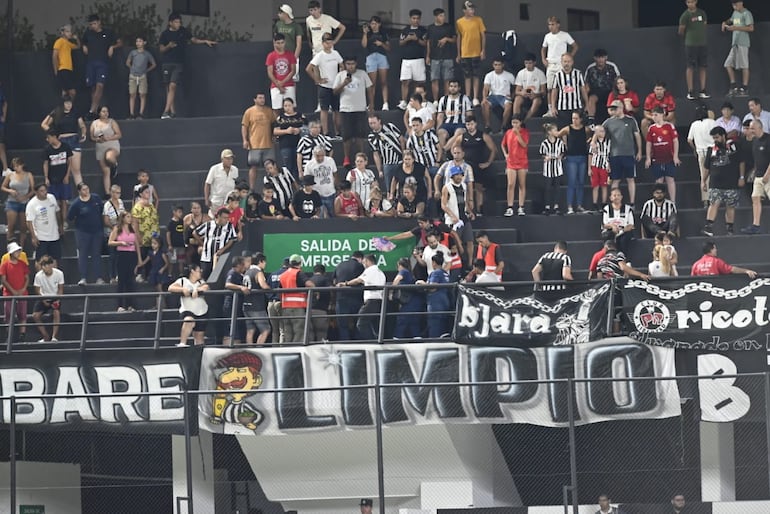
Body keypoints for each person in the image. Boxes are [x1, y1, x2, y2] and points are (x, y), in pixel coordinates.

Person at [158, 12, 216, 119]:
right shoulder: (165, 34)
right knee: (168, 87)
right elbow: (161, 49)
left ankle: (165, 111)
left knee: (173, 85)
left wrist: (204, 41)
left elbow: (193, 39)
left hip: (178, 63)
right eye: (176, 22)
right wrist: (169, 46)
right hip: (167, 63)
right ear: (170, 23)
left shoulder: (183, 31)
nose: (178, 24)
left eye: (179, 22)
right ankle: (172, 112)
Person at [445, 114, 496, 214]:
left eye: (471, 124)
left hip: (478, 166)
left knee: (478, 188)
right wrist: (457, 159)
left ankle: (479, 210)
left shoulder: (483, 135)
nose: (470, 126)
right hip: (466, 166)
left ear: (475, 124)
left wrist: (488, 163)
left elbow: (493, 149)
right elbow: (453, 147)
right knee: (466, 188)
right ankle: (467, 210)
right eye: (468, 124)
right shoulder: (462, 136)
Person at [595, 99, 642, 206]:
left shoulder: (630, 120)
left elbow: (637, 136)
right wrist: (593, 142)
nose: (613, 110)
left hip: (629, 154)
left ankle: (632, 202)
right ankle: (613, 201)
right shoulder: (608, 121)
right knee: (615, 179)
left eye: (615, 108)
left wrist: (639, 151)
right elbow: (598, 130)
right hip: (614, 155)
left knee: (630, 178)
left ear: (621, 108)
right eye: (612, 108)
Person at [701, 126, 745, 237]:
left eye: (717, 137)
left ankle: (729, 229)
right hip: (715, 183)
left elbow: (741, 162)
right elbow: (706, 167)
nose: (715, 140)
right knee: (714, 203)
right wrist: (703, 181)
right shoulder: (711, 150)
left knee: (730, 206)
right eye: (713, 138)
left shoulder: (734, 146)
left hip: (731, 182)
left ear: (723, 136)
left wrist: (742, 177)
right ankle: (708, 227)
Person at [332, 56, 373, 167]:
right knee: (347, 135)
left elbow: (369, 89)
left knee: (360, 135)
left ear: (356, 64)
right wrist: (344, 83)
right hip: (346, 109)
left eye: (352, 63)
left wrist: (371, 106)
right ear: (345, 64)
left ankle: (362, 157)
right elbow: (335, 91)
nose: (350, 66)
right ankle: (347, 158)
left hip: (360, 108)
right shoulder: (340, 75)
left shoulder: (362, 74)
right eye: (348, 64)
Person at [81, 14, 121, 120]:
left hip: (102, 63)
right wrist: (84, 47)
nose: (92, 26)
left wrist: (112, 47)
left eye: (94, 24)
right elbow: (82, 42)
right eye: (90, 24)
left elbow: (119, 42)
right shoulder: (88, 33)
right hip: (90, 63)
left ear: (99, 22)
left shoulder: (107, 32)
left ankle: (92, 110)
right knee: (93, 87)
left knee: (100, 85)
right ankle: (95, 110)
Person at [40, 96, 86, 188]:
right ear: (63, 104)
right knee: (62, 168)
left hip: (73, 139)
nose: (69, 105)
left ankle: (81, 191)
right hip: (61, 140)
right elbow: (44, 124)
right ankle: (64, 195)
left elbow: (82, 125)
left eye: (70, 103)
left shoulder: (75, 112)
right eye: (67, 103)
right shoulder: (56, 112)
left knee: (76, 169)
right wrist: (53, 134)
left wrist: (84, 133)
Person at [337, 253, 385, 340]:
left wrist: (346, 283)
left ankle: (371, 341)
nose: (363, 264)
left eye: (363, 262)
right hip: (380, 301)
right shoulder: (381, 273)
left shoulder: (370, 270)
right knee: (374, 324)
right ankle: (377, 341)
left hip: (371, 301)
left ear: (367, 261)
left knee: (361, 323)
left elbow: (358, 280)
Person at [306, 33, 343, 137]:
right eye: (327, 42)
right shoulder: (320, 55)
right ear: (323, 43)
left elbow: (342, 65)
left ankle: (337, 131)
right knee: (324, 110)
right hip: (325, 86)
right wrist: (317, 80)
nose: (329, 44)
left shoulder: (335, 53)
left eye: (331, 42)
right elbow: (309, 68)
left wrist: (341, 76)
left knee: (336, 110)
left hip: (335, 86)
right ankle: (325, 132)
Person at [542, 16, 578, 118]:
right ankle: (550, 109)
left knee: (562, 87)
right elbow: (543, 49)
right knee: (549, 88)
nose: (551, 27)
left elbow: (575, 46)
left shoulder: (565, 35)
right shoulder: (547, 36)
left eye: (553, 24)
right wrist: (544, 60)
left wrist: (568, 58)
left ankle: (563, 108)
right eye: (549, 24)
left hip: (561, 64)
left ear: (558, 24)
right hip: (551, 64)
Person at [67, 183, 104, 285]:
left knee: (96, 254)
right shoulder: (76, 204)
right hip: (82, 233)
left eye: (87, 189)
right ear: (79, 191)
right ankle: (83, 278)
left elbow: (102, 210)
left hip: (97, 231)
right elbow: (70, 217)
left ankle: (98, 278)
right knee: (83, 255)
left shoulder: (96, 198)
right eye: (83, 190)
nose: (86, 191)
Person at [241, 93, 277, 191]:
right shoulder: (249, 112)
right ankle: (252, 189)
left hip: (268, 143)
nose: (262, 100)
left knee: (270, 166)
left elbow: (275, 124)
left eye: (263, 98)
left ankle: (271, 186)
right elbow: (244, 126)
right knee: (253, 166)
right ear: (255, 99)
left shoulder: (269, 111)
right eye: (260, 98)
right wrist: (245, 140)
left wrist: (274, 136)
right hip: (254, 144)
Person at [645, 106, 681, 202]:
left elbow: (675, 141)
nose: (654, 117)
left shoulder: (669, 126)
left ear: (662, 114)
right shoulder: (651, 128)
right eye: (653, 115)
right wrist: (648, 158)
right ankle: (658, 201)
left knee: (670, 179)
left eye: (656, 115)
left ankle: (673, 202)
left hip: (669, 158)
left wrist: (675, 156)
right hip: (657, 158)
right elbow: (648, 144)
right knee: (659, 181)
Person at [108, 211, 142, 312]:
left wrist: (139, 258)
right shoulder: (117, 229)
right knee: (122, 280)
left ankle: (130, 304)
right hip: (122, 255)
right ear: (122, 218)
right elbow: (110, 242)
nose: (130, 219)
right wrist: (120, 243)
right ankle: (120, 305)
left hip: (131, 255)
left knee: (130, 280)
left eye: (130, 217)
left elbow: (136, 244)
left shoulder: (132, 229)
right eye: (127, 217)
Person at [168, 264, 210, 347]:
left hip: (201, 310)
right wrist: (183, 289)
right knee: (189, 320)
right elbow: (171, 287)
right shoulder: (183, 281)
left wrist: (197, 290)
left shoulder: (201, 282)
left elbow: (206, 287)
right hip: (187, 309)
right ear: (192, 271)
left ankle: (198, 351)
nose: (200, 272)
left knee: (199, 335)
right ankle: (182, 343)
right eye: (199, 271)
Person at [557, 111, 590, 214]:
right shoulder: (568, 128)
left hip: (582, 157)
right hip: (571, 157)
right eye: (573, 118)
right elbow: (558, 134)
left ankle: (579, 205)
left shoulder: (586, 129)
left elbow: (591, 136)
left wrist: (589, 141)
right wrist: (564, 143)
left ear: (580, 119)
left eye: (576, 118)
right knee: (572, 182)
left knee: (580, 182)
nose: (574, 120)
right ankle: (570, 206)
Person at [741, 120, 770, 234]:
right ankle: (755, 224)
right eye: (750, 128)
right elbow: (757, 159)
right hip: (758, 175)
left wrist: (767, 174)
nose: (751, 131)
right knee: (755, 197)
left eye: (753, 128)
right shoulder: (755, 141)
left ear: (760, 127)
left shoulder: (768, 140)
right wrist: (755, 172)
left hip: (767, 175)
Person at [455, 1, 486, 106]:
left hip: (476, 52)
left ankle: (475, 97)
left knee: (476, 75)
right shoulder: (459, 22)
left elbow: (483, 35)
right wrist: (459, 53)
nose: (472, 11)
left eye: (473, 9)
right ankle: (468, 96)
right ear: (464, 10)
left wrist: (483, 50)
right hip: (465, 52)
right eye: (470, 9)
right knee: (467, 75)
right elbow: (459, 37)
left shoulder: (478, 20)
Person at [397, 9, 428, 111]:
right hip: (406, 60)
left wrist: (417, 39)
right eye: (414, 18)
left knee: (418, 82)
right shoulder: (405, 30)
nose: (416, 20)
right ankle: (404, 101)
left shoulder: (423, 30)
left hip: (418, 59)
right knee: (405, 81)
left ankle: (418, 101)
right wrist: (407, 39)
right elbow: (400, 43)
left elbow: (425, 44)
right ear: (410, 19)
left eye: (417, 18)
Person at [194, 207, 238, 279]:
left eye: (227, 218)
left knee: (217, 277)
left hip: (220, 257)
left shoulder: (229, 226)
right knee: (205, 277)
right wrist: (202, 244)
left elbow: (232, 239)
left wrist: (223, 249)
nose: (226, 220)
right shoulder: (209, 225)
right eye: (224, 218)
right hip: (206, 257)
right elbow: (195, 232)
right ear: (219, 216)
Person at [688, 103, 718, 208]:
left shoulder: (694, 124)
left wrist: (694, 149)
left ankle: (706, 200)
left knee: (704, 176)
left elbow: (689, 140)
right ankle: (715, 198)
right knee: (714, 174)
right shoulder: (712, 122)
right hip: (713, 151)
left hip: (701, 152)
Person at [279, 253, 314, 343]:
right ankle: (296, 350)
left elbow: (279, 289)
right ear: (300, 263)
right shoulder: (299, 273)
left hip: (285, 307)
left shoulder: (283, 275)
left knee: (288, 331)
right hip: (297, 307)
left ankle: (288, 351)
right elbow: (309, 284)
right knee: (300, 330)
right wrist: (315, 289)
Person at [441, 166, 475, 256]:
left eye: (460, 175)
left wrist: (470, 212)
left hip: (464, 217)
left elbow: (464, 202)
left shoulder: (464, 186)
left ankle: (470, 264)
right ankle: (457, 264)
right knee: (456, 243)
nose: (459, 177)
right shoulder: (447, 188)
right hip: (453, 220)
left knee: (470, 240)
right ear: (452, 176)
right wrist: (452, 216)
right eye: (457, 175)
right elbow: (443, 205)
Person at [679, 0, 709, 100]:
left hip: (702, 43)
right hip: (690, 44)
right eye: (688, 2)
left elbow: (704, 25)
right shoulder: (685, 15)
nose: (690, 4)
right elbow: (681, 30)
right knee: (690, 67)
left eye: (691, 2)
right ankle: (690, 91)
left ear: (696, 2)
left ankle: (703, 90)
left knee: (703, 66)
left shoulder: (702, 13)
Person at [722, 1, 754, 97]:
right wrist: (725, 23)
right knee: (727, 64)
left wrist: (736, 28)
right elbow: (731, 20)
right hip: (735, 43)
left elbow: (751, 28)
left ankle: (745, 88)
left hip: (743, 43)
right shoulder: (735, 13)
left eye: (736, 4)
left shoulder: (746, 13)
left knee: (744, 65)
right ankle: (734, 86)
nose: (735, 6)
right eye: (733, 5)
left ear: (741, 3)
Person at [25, 183, 62, 265]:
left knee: (54, 258)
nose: (44, 192)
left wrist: (60, 226)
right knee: (40, 259)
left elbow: (57, 212)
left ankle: (54, 277)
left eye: (45, 190)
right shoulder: (32, 204)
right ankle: (39, 277)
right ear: (36, 192)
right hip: (41, 237)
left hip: (54, 235)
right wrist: (33, 237)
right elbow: (29, 221)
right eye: (41, 191)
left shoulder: (52, 198)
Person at [2, 157, 35, 247]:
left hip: (24, 202)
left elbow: (33, 190)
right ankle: (10, 246)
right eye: (14, 166)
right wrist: (10, 191)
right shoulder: (10, 175)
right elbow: (3, 187)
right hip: (12, 202)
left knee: (23, 227)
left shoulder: (28, 175)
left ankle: (22, 246)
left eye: (17, 166)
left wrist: (25, 197)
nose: (16, 168)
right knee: (11, 226)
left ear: (22, 165)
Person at [0, 242, 29, 341]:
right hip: (8, 293)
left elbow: (27, 278)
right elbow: (3, 280)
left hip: (22, 293)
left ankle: (22, 335)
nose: (19, 253)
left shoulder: (23, 264)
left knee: (23, 314)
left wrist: (23, 289)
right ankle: (9, 335)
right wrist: (13, 291)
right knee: (8, 314)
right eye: (16, 251)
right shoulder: (4, 265)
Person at [417, 253, 451, 338]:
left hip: (435, 303)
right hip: (445, 303)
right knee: (443, 328)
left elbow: (433, 287)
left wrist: (422, 283)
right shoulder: (445, 273)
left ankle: (433, 342)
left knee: (435, 327)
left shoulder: (436, 273)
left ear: (434, 263)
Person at [501, 117, 530, 216]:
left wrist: (518, 134)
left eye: (516, 122)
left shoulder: (524, 132)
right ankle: (510, 207)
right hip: (511, 162)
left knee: (522, 184)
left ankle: (521, 206)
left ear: (520, 123)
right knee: (510, 184)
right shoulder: (508, 132)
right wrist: (505, 154)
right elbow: (503, 144)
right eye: (513, 122)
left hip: (522, 161)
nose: (514, 125)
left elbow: (524, 144)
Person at [89, 105, 121, 196]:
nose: (105, 113)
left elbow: (119, 134)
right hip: (100, 146)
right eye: (103, 111)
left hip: (112, 144)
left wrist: (109, 138)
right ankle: (107, 192)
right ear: (99, 113)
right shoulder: (94, 123)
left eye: (107, 111)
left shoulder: (112, 122)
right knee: (106, 171)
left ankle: (114, 165)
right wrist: (97, 139)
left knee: (109, 157)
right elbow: (91, 137)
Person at [426, 8, 456, 103]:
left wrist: (446, 39)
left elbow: (454, 40)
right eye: (441, 16)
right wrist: (428, 56)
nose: (443, 18)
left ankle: (446, 99)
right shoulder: (431, 28)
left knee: (447, 79)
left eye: (443, 15)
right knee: (434, 79)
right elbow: (428, 42)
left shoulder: (449, 27)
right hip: (435, 57)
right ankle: (436, 100)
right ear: (436, 17)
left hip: (447, 56)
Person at [32, 255, 64, 342]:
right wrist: (43, 300)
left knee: (56, 312)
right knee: (35, 316)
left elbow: (60, 289)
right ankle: (45, 336)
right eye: (43, 266)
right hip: (43, 296)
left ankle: (54, 337)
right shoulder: (38, 276)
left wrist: (57, 299)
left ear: (51, 265)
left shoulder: (59, 273)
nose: (45, 268)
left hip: (55, 297)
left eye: (46, 266)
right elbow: (37, 290)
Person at [550, 53, 588, 128]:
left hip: (576, 107)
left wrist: (587, 104)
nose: (566, 64)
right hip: (562, 108)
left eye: (568, 61)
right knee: (563, 130)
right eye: (564, 61)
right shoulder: (557, 75)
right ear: (561, 62)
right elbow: (554, 91)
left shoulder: (578, 73)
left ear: (572, 62)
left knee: (578, 128)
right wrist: (553, 107)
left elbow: (583, 90)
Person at [436, 80, 472, 157]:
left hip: (460, 123)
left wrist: (468, 126)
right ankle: (442, 155)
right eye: (451, 86)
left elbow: (469, 115)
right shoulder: (443, 99)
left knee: (459, 132)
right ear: (448, 87)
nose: (453, 88)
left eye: (455, 86)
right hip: (447, 123)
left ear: (459, 88)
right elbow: (440, 116)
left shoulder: (465, 98)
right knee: (441, 132)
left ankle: (443, 150)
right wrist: (438, 128)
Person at [367, 113, 404, 191]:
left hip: (399, 160)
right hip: (387, 163)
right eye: (370, 123)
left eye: (374, 123)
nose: (372, 125)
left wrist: (404, 155)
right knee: (389, 187)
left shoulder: (390, 127)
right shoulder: (371, 137)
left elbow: (401, 139)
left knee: (401, 185)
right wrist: (379, 170)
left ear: (379, 121)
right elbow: (376, 154)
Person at [131, 184, 160, 282]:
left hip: (153, 237)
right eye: (146, 192)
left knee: (151, 257)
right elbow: (135, 223)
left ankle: (149, 276)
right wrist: (138, 236)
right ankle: (139, 274)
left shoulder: (151, 206)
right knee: (142, 255)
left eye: (149, 192)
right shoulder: (137, 207)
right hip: (143, 236)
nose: (149, 194)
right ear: (141, 194)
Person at [362, 16, 390, 110]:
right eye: (372, 23)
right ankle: (371, 104)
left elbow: (389, 48)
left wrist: (381, 44)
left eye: (375, 23)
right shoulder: (368, 34)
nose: (374, 26)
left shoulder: (383, 33)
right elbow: (364, 45)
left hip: (382, 56)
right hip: (371, 57)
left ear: (379, 24)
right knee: (372, 83)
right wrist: (365, 34)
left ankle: (385, 103)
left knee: (384, 81)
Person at [584, 48, 620, 125]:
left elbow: (618, 80)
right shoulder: (590, 68)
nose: (600, 60)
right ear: (595, 58)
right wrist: (585, 101)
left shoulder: (612, 66)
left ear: (606, 57)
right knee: (591, 98)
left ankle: (615, 120)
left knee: (614, 99)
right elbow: (586, 85)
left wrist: (617, 93)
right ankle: (591, 121)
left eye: (602, 57)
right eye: (598, 57)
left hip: (610, 91)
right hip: (596, 92)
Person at [242, 252, 271, 345]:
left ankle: (250, 352)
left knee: (250, 330)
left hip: (246, 305)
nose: (265, 264)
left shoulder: (247, 272)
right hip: (257, 306)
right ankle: (258, 351)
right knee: (265, 330)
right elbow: (263, 285)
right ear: (260, 261)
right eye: (265, 262)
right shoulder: (258, 272)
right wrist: (271, 289)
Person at [125, 36, 157, 119]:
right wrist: (131, 68)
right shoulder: (133, 52)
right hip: (133, 75)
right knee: (132, 94)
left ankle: (141, 113)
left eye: (140, 41)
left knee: (142, 94)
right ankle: (131, 113)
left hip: (142, 75)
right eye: (137, 41)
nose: (138, 43)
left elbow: (154, 64)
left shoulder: (147, 54)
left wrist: (146, 70)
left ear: (144, 42)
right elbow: (128, 62)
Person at [481, 57, 516, 133]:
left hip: (504, 97)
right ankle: (487, 126)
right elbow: (485, 88)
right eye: (495, 65)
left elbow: (515, 87)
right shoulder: (489, 75)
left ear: (503, 65)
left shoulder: (509, 75)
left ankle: (503, 126)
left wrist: (512, 96)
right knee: (484, 104)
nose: (497, 67)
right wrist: (484, 98)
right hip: (493, 97)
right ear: (493, 65)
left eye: (499, 65)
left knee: (509, 105)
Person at [391, 257, 423, 339]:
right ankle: (417, 338)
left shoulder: (403, 271)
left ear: (400, 265)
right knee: (413, 321)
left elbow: (397, 280)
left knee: (402, 320)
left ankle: (397, 339)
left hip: (410, 301)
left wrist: (391, 291)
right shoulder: (410, 273)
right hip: (415, 301)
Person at [274, 98, 305, 179]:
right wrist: (286, 131)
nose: (287, 107)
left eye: (289, 105)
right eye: (285, 106)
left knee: (299, 165)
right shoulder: (280, 118)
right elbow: (275, 131)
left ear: (293, 106)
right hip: (285, 145)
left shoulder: (300, 116)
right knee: (288, 166)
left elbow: (308, 127)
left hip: (299, 144)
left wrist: (299, 130)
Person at [266, 33, 297, 114]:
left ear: (285, 42)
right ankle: (277, 126)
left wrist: (282, 82)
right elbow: (270, 72)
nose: (280, 45)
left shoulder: (290, 55)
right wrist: (278, 85)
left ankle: (292, 124)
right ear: (274, 43)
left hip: (288, 84)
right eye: (278, 43)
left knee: (290, 107)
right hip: (275, 85)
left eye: (282, 43)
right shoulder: (271, 56)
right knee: (276, 108)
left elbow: (293, 70)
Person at [303, 146, 338, 217]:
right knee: (320, 216)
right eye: (318, 156)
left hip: (331, 192)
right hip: (317, 195)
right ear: (314, 155)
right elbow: (307, 181)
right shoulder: (309, 165)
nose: (320, 158)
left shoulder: (330, 161)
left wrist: (336, 187)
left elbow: (335, 174)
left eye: (322, 156)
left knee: (333, 215)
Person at [512, 53, 547, 122]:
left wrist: (536, 94)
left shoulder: (540, 73)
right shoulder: (521, 73)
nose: (528, 65)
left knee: (537, 101)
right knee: (517, 99)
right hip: (524, 95)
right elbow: (517, 91)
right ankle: (516, 120)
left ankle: (525, 121)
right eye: (526, 63)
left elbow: (544, 91)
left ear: (534, 63)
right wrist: (522, 93)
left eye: (530, 63)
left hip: (535, 95)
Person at [691, 240, 756, 278]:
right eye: (714, 248)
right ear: (711, 250)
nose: (716, 250)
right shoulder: (716, 261)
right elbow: (731, 269)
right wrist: (746, 271)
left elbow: (692, 280)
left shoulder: (696, 265)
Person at [222, 255, 248, 345]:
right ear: (239, 265)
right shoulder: (232, 273)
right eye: (243, 264)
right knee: (230, 329)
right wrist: (241, 287)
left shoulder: (241, 275)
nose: (244, 267)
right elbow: (228, 284)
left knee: (237, 329)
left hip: (237, 305)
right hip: (230, 304)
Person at [540, 123, 565, 215]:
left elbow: (563, 152)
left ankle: (556, 206)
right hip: (548, 168)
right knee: (547, 188)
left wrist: (560, 156)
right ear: (549, 132)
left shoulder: (560, 142)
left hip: (557, 168)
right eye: (554, 130)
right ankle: (547, 206)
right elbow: (542, 154)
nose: (556, 132)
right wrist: (546, 157)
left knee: (557, 188)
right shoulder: (544, 143)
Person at [205, 149, 239, 216]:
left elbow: (236, 184)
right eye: (227, 159)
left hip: (229, 201)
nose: (230, 161)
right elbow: (207, 184)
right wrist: (206, 199)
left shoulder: (235, 169)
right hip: (216, 200)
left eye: (231, 158)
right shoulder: (214, 169)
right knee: (216, 219)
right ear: (222, 159)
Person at [602, 187, 635, 256]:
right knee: (608, 236)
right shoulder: (606, 209)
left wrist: (623, 230)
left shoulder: (628, 209)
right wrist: (612, 226)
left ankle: (624, 260)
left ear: (621, 197)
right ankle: (610, 258)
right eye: (614, 195)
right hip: (610, 231)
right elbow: (604, 224)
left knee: (624, 239)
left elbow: (631, 224)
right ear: (610, 198)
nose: (616, 197)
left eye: (618, 195)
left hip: (624, 231)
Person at [102, 184, 125, 282]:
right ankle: (112, 276)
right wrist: (114, 227)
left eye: (119, 193)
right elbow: (106, 220)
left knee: (120, 256)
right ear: (112, 193)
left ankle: (120, 274)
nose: (118, 195)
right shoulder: (107, 205)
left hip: (121, 232)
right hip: (111, 232)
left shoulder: (120, 202)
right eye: (116, 193)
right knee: (113, 256)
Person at [275, 4, 303, 82]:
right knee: (280, 77)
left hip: (292, 55)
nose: (278, 15)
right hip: (280, 57)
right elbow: (275, 40)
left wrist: (294, 58)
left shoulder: (296, 27)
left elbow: (299, 44)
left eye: (280, 13)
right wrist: (277, 54)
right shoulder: (278, 24)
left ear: (285, 14)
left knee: (293, 79)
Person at [52, 24, 80, 99]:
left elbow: (78, 46)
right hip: (63, 69)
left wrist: (76, 39)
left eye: (70, 31)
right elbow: (54, 56)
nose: (70, 33)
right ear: (63, 33)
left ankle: (65, 109)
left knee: (65, 92)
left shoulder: (68, 43)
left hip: (69, 69)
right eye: (67, 31)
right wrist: (56, 69)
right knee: (72, 92)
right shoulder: (59, 41)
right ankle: (69, 108)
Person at [589, 124, 611, 210]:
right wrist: (589, 168)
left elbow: (609, 154)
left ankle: (604, 203)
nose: (602, 133)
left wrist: (609, 165)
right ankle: (594, 203)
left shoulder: (608, 142)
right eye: (600, 131)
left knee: (604, 185)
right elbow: (590, 155)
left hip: (604, 166)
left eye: (603, 131)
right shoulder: (594, 143)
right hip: (595, 165)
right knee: (595, 186)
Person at [308, 264, 331, 341]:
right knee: (321, 335)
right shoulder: (325, 279)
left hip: (308, 310)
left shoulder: (309, 280)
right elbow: (331, 290)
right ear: (324, 272)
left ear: (313, 272)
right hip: (321, 310)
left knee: (309, 335)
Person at [183, 201, 210, 267]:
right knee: (188, 253)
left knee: (201, 250)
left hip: (202, 243)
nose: (197, 210)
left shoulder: (207, 218)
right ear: (191, 209)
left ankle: (203, 269)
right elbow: (184, 232)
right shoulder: (187, 218)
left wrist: (201, 240)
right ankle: (189, 269)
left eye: (198, 208)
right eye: (194, 208)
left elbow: (210, 231)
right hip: (191, 243)